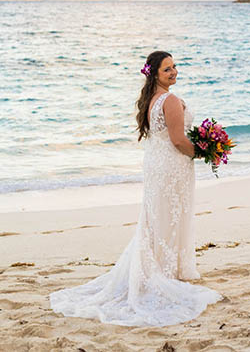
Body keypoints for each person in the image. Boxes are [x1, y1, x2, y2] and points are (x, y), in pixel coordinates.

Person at [49, 50, 223, 326]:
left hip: (157, 164)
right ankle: (165, 274)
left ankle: (162, 269)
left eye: (175, 67)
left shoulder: (150, 100)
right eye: (168, 69)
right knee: (170, 218)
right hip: (171, 166)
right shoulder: (170, 100)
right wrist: (205, 153)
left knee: (158, 218)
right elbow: (178, 141)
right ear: (154, 73)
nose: (174, 72)